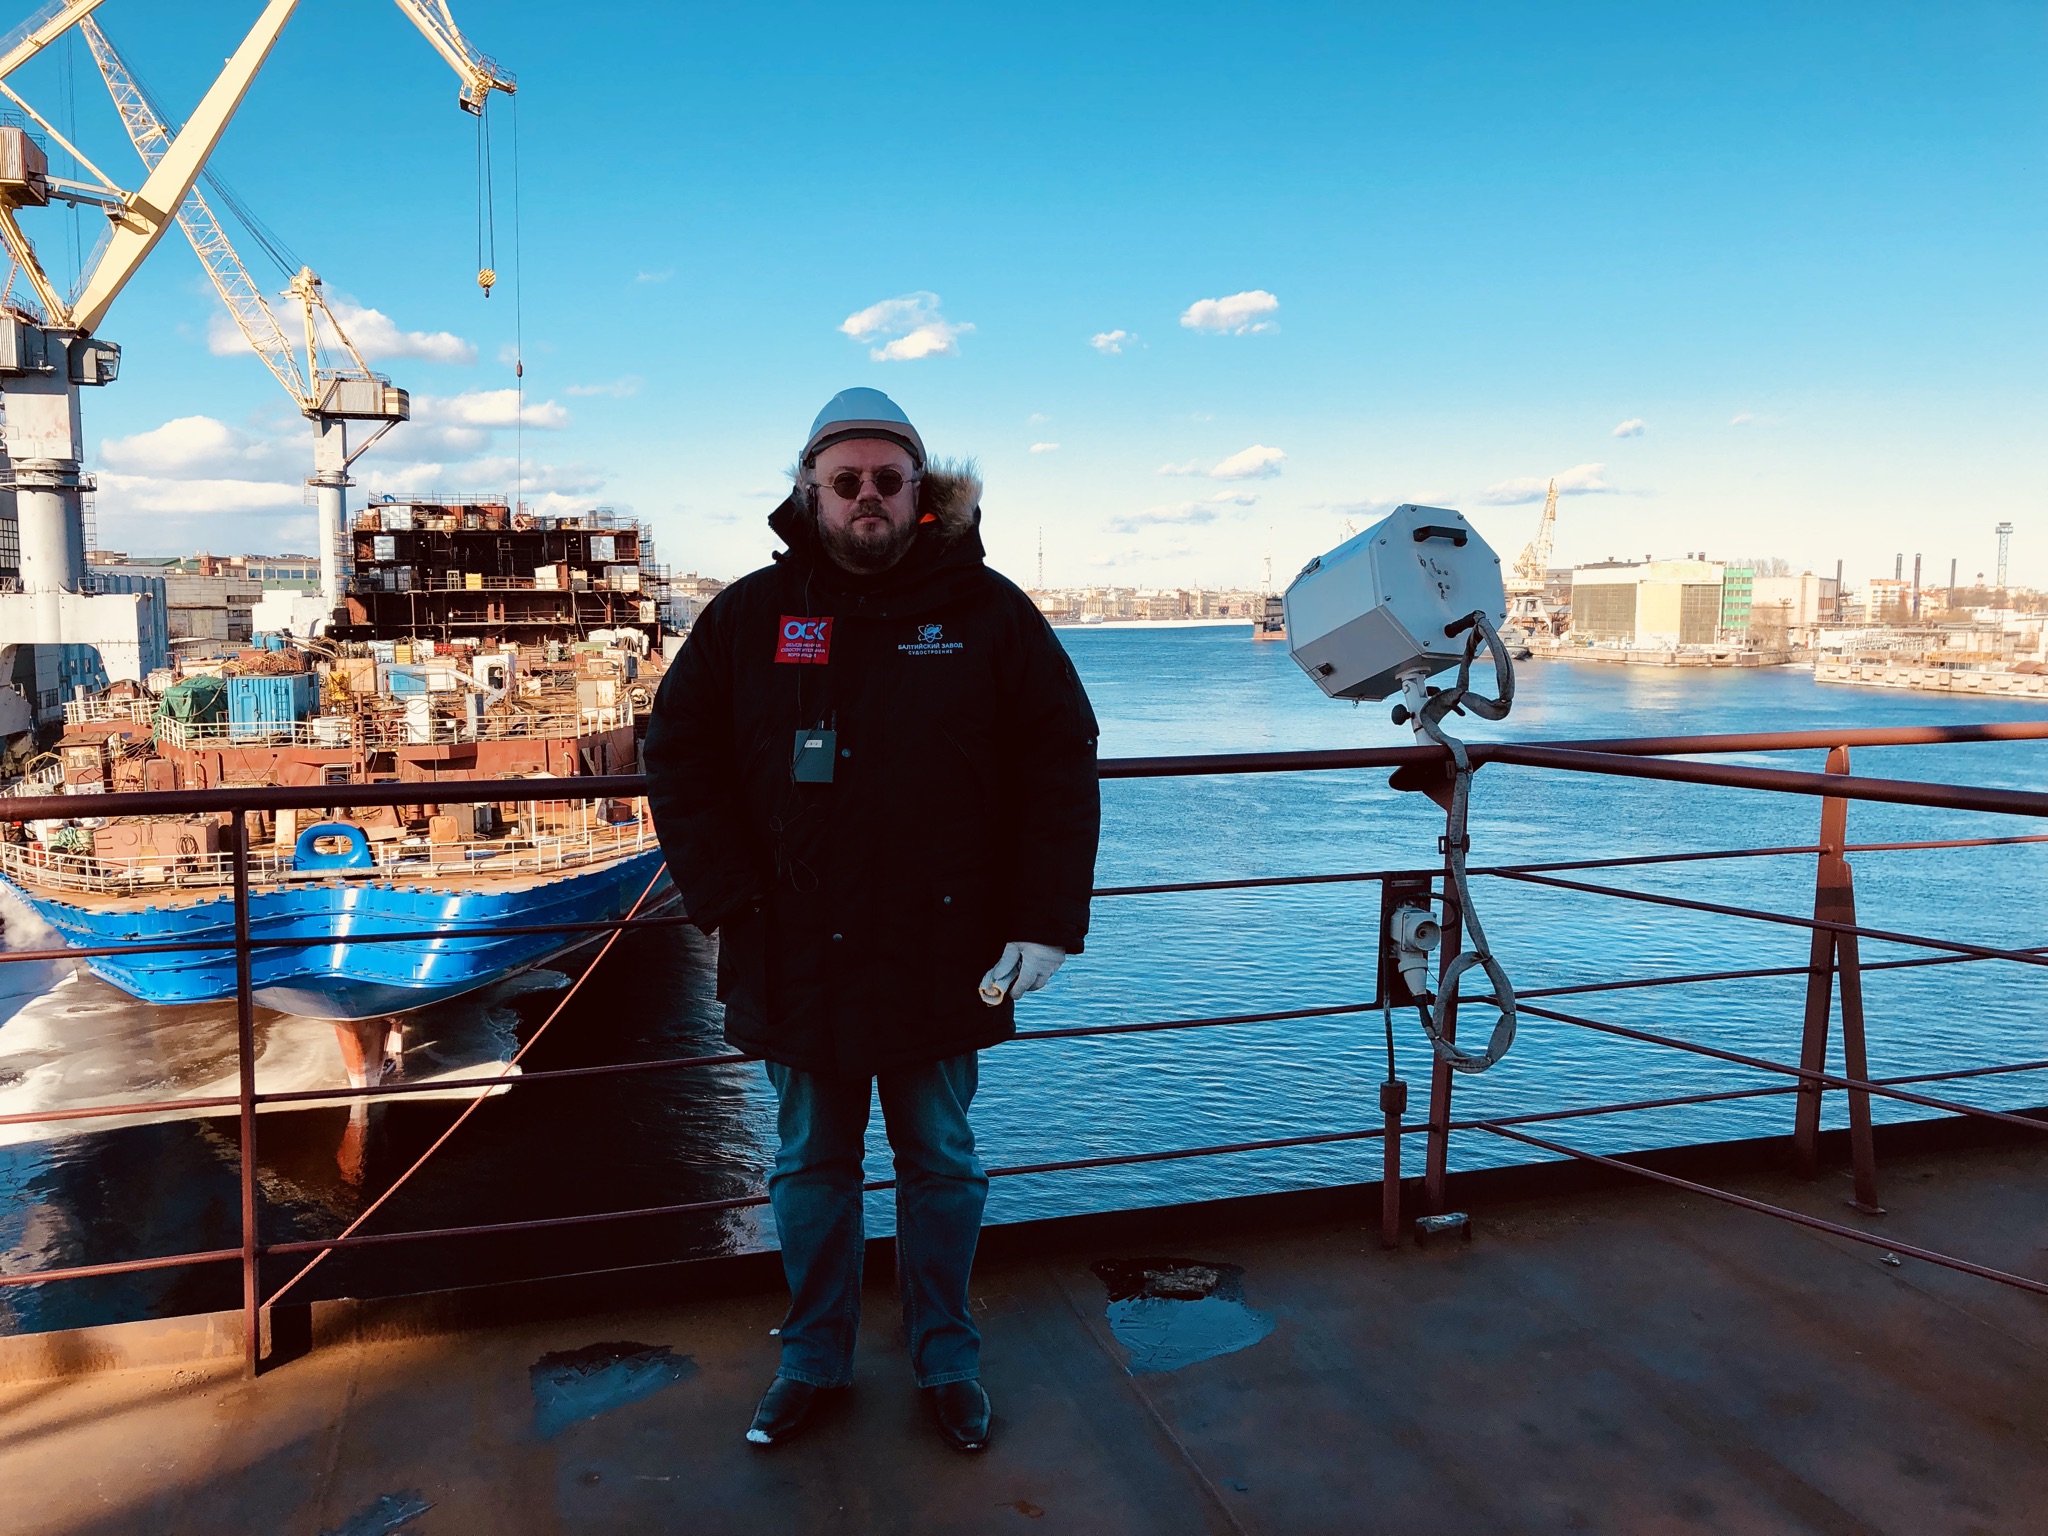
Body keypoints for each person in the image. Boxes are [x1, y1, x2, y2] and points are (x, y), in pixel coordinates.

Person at [643, 387, 1100, 1453]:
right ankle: (813, 1356)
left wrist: (1044, 921)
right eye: (844, 479)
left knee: (941, 1158)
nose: (866, 497)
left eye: (887, 480)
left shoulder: (988, 614)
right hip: (792, 948)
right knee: (810, 1163)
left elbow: (1058, 762)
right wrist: (726, 899)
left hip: (945, 949)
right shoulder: (749, 617)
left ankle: (947, 1354)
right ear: (809, 491)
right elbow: (678, 753)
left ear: (919, 491)